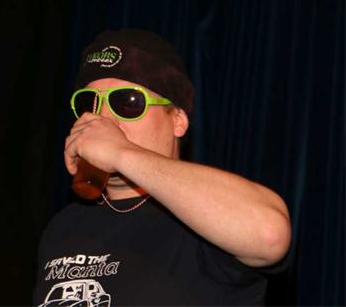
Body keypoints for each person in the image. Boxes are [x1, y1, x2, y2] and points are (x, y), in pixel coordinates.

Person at [34, 29, 291, 306]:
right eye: (89, 104)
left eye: (127, 102)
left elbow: (269, 234)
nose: (102, 119)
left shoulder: (201, 220)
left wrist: (120, 152)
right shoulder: (62, 228)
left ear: (178, 120)